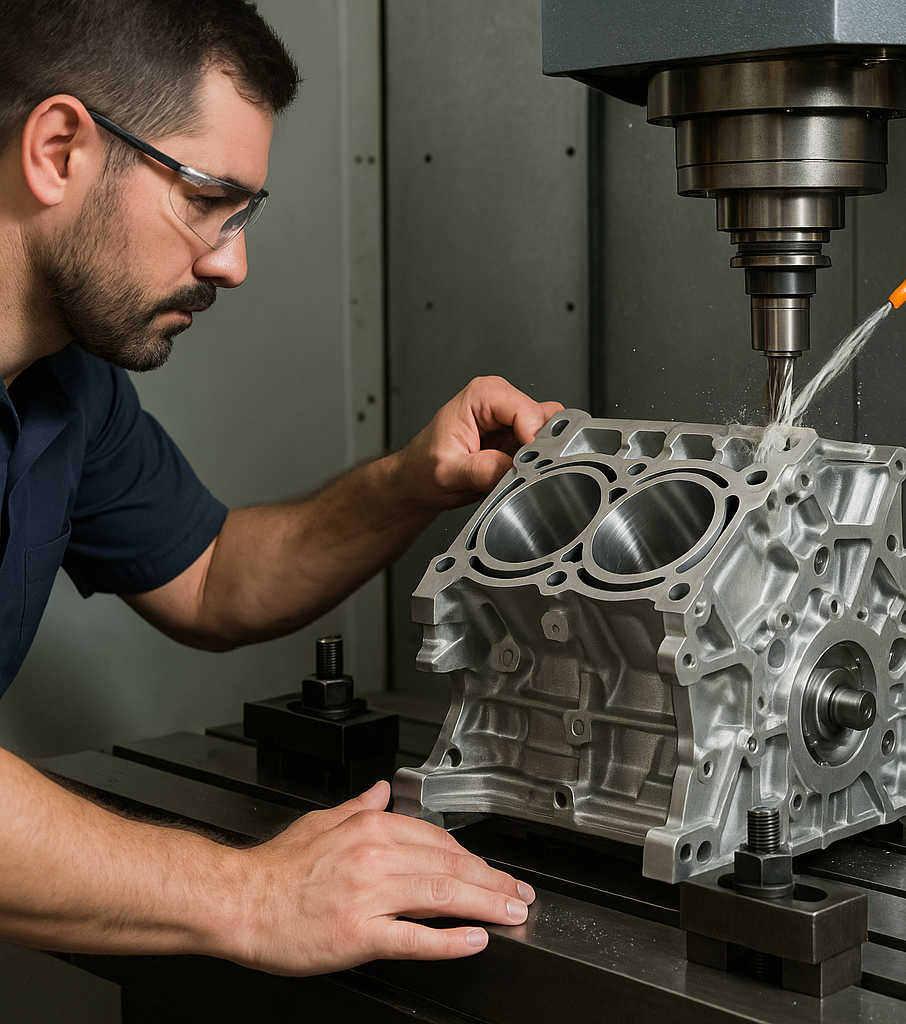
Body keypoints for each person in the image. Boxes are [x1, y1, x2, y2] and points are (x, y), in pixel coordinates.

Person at [0, 0, 560, 976]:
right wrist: (254, 895)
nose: (232, 261)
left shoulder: (66, 386)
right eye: (205, 198)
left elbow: (212, 574)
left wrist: (413, 481)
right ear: (57, 150)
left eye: (243, 212)